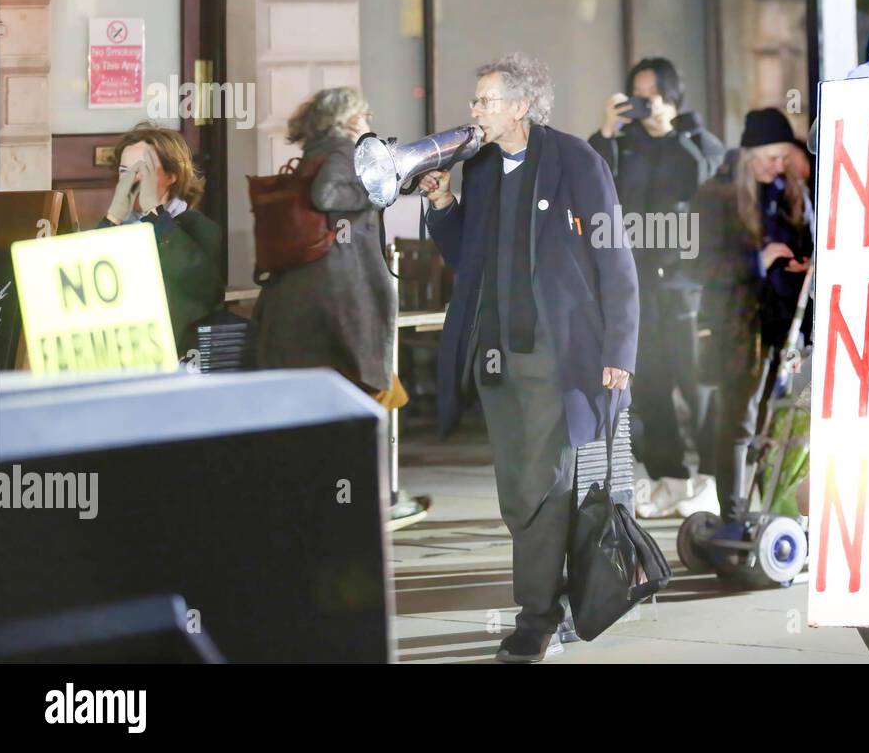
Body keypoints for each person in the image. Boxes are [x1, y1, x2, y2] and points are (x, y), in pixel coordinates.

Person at [422, 52, 638, 663]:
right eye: (475, 101)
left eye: (485, 101)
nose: (475, 111)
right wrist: (442, 204)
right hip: (497, 354)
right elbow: (473, 262)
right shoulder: (483, 166)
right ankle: (556, 601)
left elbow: (614, 256)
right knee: (521, 485)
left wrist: (619, 347)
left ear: (521, 107)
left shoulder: (575, 160)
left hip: (556, 354)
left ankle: (535, 618)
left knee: (542, 481)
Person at [589, 57, 725, 516]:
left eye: (653, 92)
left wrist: (677, 128)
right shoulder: (623, 145)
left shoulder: (692, 142)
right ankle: (669, 477)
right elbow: (592, 184)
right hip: (636, 284)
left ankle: (712, 480)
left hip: (685, 284)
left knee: (697, 383)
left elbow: (712, 174)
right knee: (650, 385)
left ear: (671, 95)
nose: (645, 101)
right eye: (637, 92)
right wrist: (606, 132)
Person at [688, 108, 814, 522]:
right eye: (772, 157)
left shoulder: (789, 193)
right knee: (739, 422)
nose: (780, 166)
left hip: (786, 327)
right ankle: (734, 514)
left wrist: (808, 264)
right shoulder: (714, 196)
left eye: (783, 158)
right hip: (738, 327)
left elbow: (809, 243)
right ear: (749, 152)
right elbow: (698, 267)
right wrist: (757, 261)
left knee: (777, 423)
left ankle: (773, 512)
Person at [253, 88, 404, 411]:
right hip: (337, 292)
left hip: (301, 288)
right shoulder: (344, 151)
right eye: (366, 116)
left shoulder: (315, 152)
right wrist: (375, 193)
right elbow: (327, 195)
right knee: (348, 390)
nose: (367, 123)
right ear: (351, 120)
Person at [98, 123, 223, 356]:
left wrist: (154, 215)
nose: (132, 180)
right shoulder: (114, 227)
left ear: (172, 175)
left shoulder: (197, 228)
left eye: (143, 171)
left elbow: (203, 287)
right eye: (124, 171)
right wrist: (112, 218)